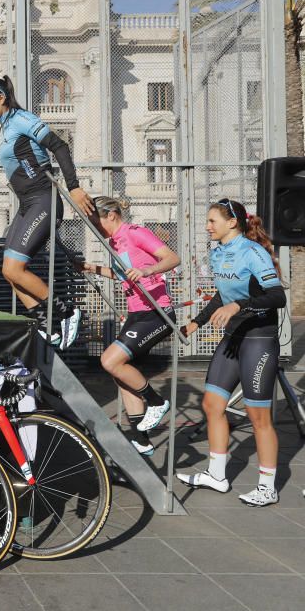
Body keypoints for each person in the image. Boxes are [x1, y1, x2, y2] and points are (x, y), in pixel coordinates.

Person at [177, 198, 285, 507]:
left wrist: (239, 305)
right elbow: (222, 297)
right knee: (212, 404)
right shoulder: (218, 252)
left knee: (258, 415)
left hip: (258, 340)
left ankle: (267, 487)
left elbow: (276, 296)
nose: (207, 226)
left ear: (231, 223)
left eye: (212, 221)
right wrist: (194, 324)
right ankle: (217, 474)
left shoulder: (253, 253)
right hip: (232, 338)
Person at [0, 76, 94, 349]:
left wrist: (74, 187)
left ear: (1, 99)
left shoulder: (21, 119)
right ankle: (46, 323)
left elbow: (60, 146)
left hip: (44, 198)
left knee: (16, 269)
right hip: (27, 203)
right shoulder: (5, 127)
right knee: (9, 271)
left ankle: (67, 311)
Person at [76, 196, 179, 456]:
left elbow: (172, 258)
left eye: (96, 220)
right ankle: (141, 439)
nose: (95, 227)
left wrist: (147, 271)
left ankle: (156, 402)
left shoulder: (135, 233)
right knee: (121, 373)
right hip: (136, 314)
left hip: (156, 313)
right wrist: (90, 267)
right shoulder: (114, 242)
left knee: (110, 361)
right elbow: (121, 274)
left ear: (111, 215)